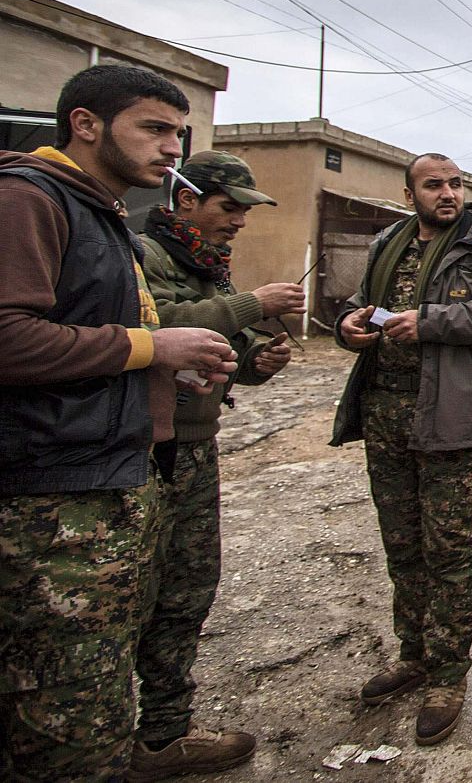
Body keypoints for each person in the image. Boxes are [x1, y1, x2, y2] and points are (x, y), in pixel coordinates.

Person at [0, 64, 235, 782]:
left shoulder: (101, 211)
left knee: (100, 684)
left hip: (114, 476)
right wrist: (150, 347)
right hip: (52, 495)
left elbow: (93, 337)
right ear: (86, 123)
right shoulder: (26, 198)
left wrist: (172, 367)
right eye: (154, 128)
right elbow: (9, 335)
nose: (172, 148)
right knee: (64, 715)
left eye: (179, 131)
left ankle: (155, 741)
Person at [333, 153, 472, 747]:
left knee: (447, 546)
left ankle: (448, 675)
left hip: (450, 415)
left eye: (454, 183)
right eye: (433, 184)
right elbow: (357, 303)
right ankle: (413, 653)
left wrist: (431, 322)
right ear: (409, 191)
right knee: (402, 541)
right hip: (386, 413)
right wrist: (348, 325)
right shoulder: (388, 243)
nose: (447, 193)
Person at [128, 150, 304, 780]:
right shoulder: (143, 258)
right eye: (228, 209)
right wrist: (250, 306)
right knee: (129, 599)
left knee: (186, 593)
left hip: (195, 445)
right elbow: (158, 327)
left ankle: (163, 734)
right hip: (141, 455)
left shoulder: (209, 265)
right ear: (185, 201)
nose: (239, 224)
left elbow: (225, 348)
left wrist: (258, 364)